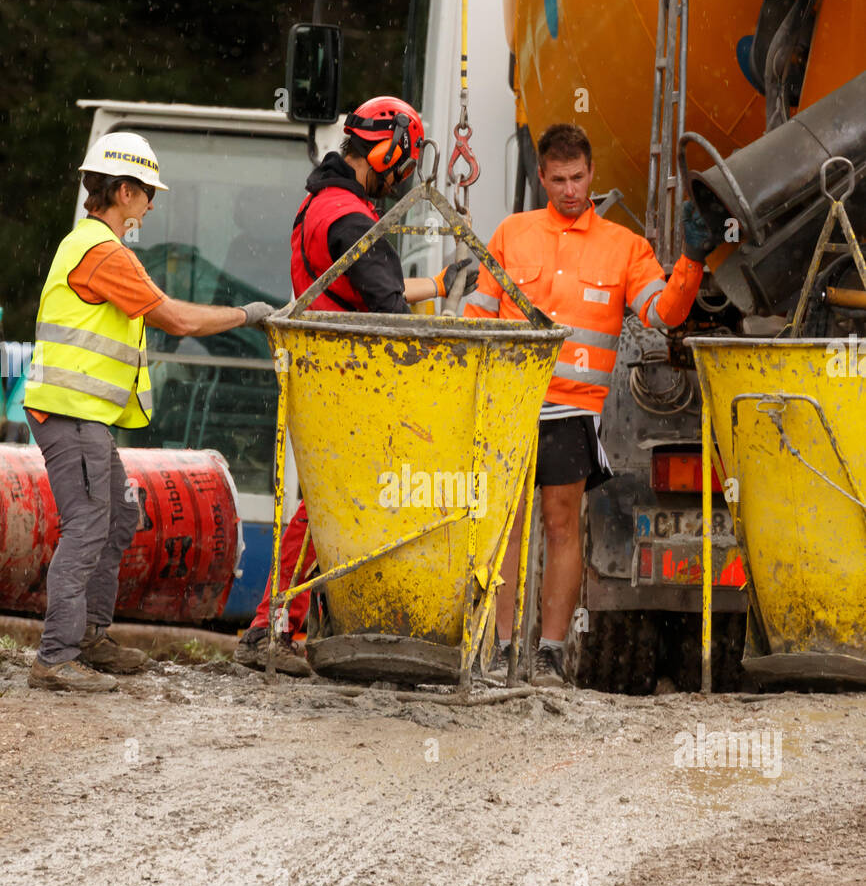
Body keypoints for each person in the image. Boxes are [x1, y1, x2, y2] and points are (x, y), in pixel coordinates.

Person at [463, 122, 716, 688]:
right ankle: (500, 650)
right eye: (558, 179)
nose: (570, 190)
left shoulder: (626, 248)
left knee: (561, 527)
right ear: (542, 176)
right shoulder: (510, 234)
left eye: (578, 178)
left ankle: (549, 655)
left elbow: (664, 314)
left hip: (572, 411)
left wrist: (692, 260)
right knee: (504, 529)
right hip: (507, 402)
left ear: (592, 174)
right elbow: (476, 320)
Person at [234, 96, 479, 671]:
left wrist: (440, 284)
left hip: (327, 379)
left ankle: (281, 625)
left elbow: (359, 287)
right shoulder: (351, 217)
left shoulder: (323, 204)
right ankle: (275, 627)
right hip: (353, 382)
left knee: (324, 507)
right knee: (326, 509)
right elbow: (385, 310)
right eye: (406, 159)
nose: (405, 172)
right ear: (388, 149)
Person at [24, 131, 273, 693]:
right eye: (148, 193)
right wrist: (244, 315)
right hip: (71, 413)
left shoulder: (88, 244)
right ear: (125, 191)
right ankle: (56, 658)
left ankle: (88, 635)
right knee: (89, 526)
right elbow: (176, 320)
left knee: (114, 520)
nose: (152, 205)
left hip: (80, 413)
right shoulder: (105, 252)